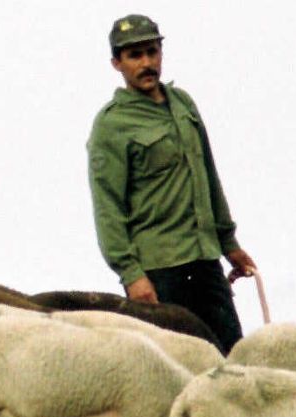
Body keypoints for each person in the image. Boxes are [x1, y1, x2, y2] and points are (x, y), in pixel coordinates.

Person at [86, 13, 257, 353]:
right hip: (160, 271)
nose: (146, 63)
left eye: (152, 52)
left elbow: (209, 175)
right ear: (116, 63)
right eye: (135, 56)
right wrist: (132, 275)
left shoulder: (183, 105)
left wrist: (229, 242)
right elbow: (108, 209)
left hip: (205, 259)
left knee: (233, 359)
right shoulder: (111, 125)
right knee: (177, 368)